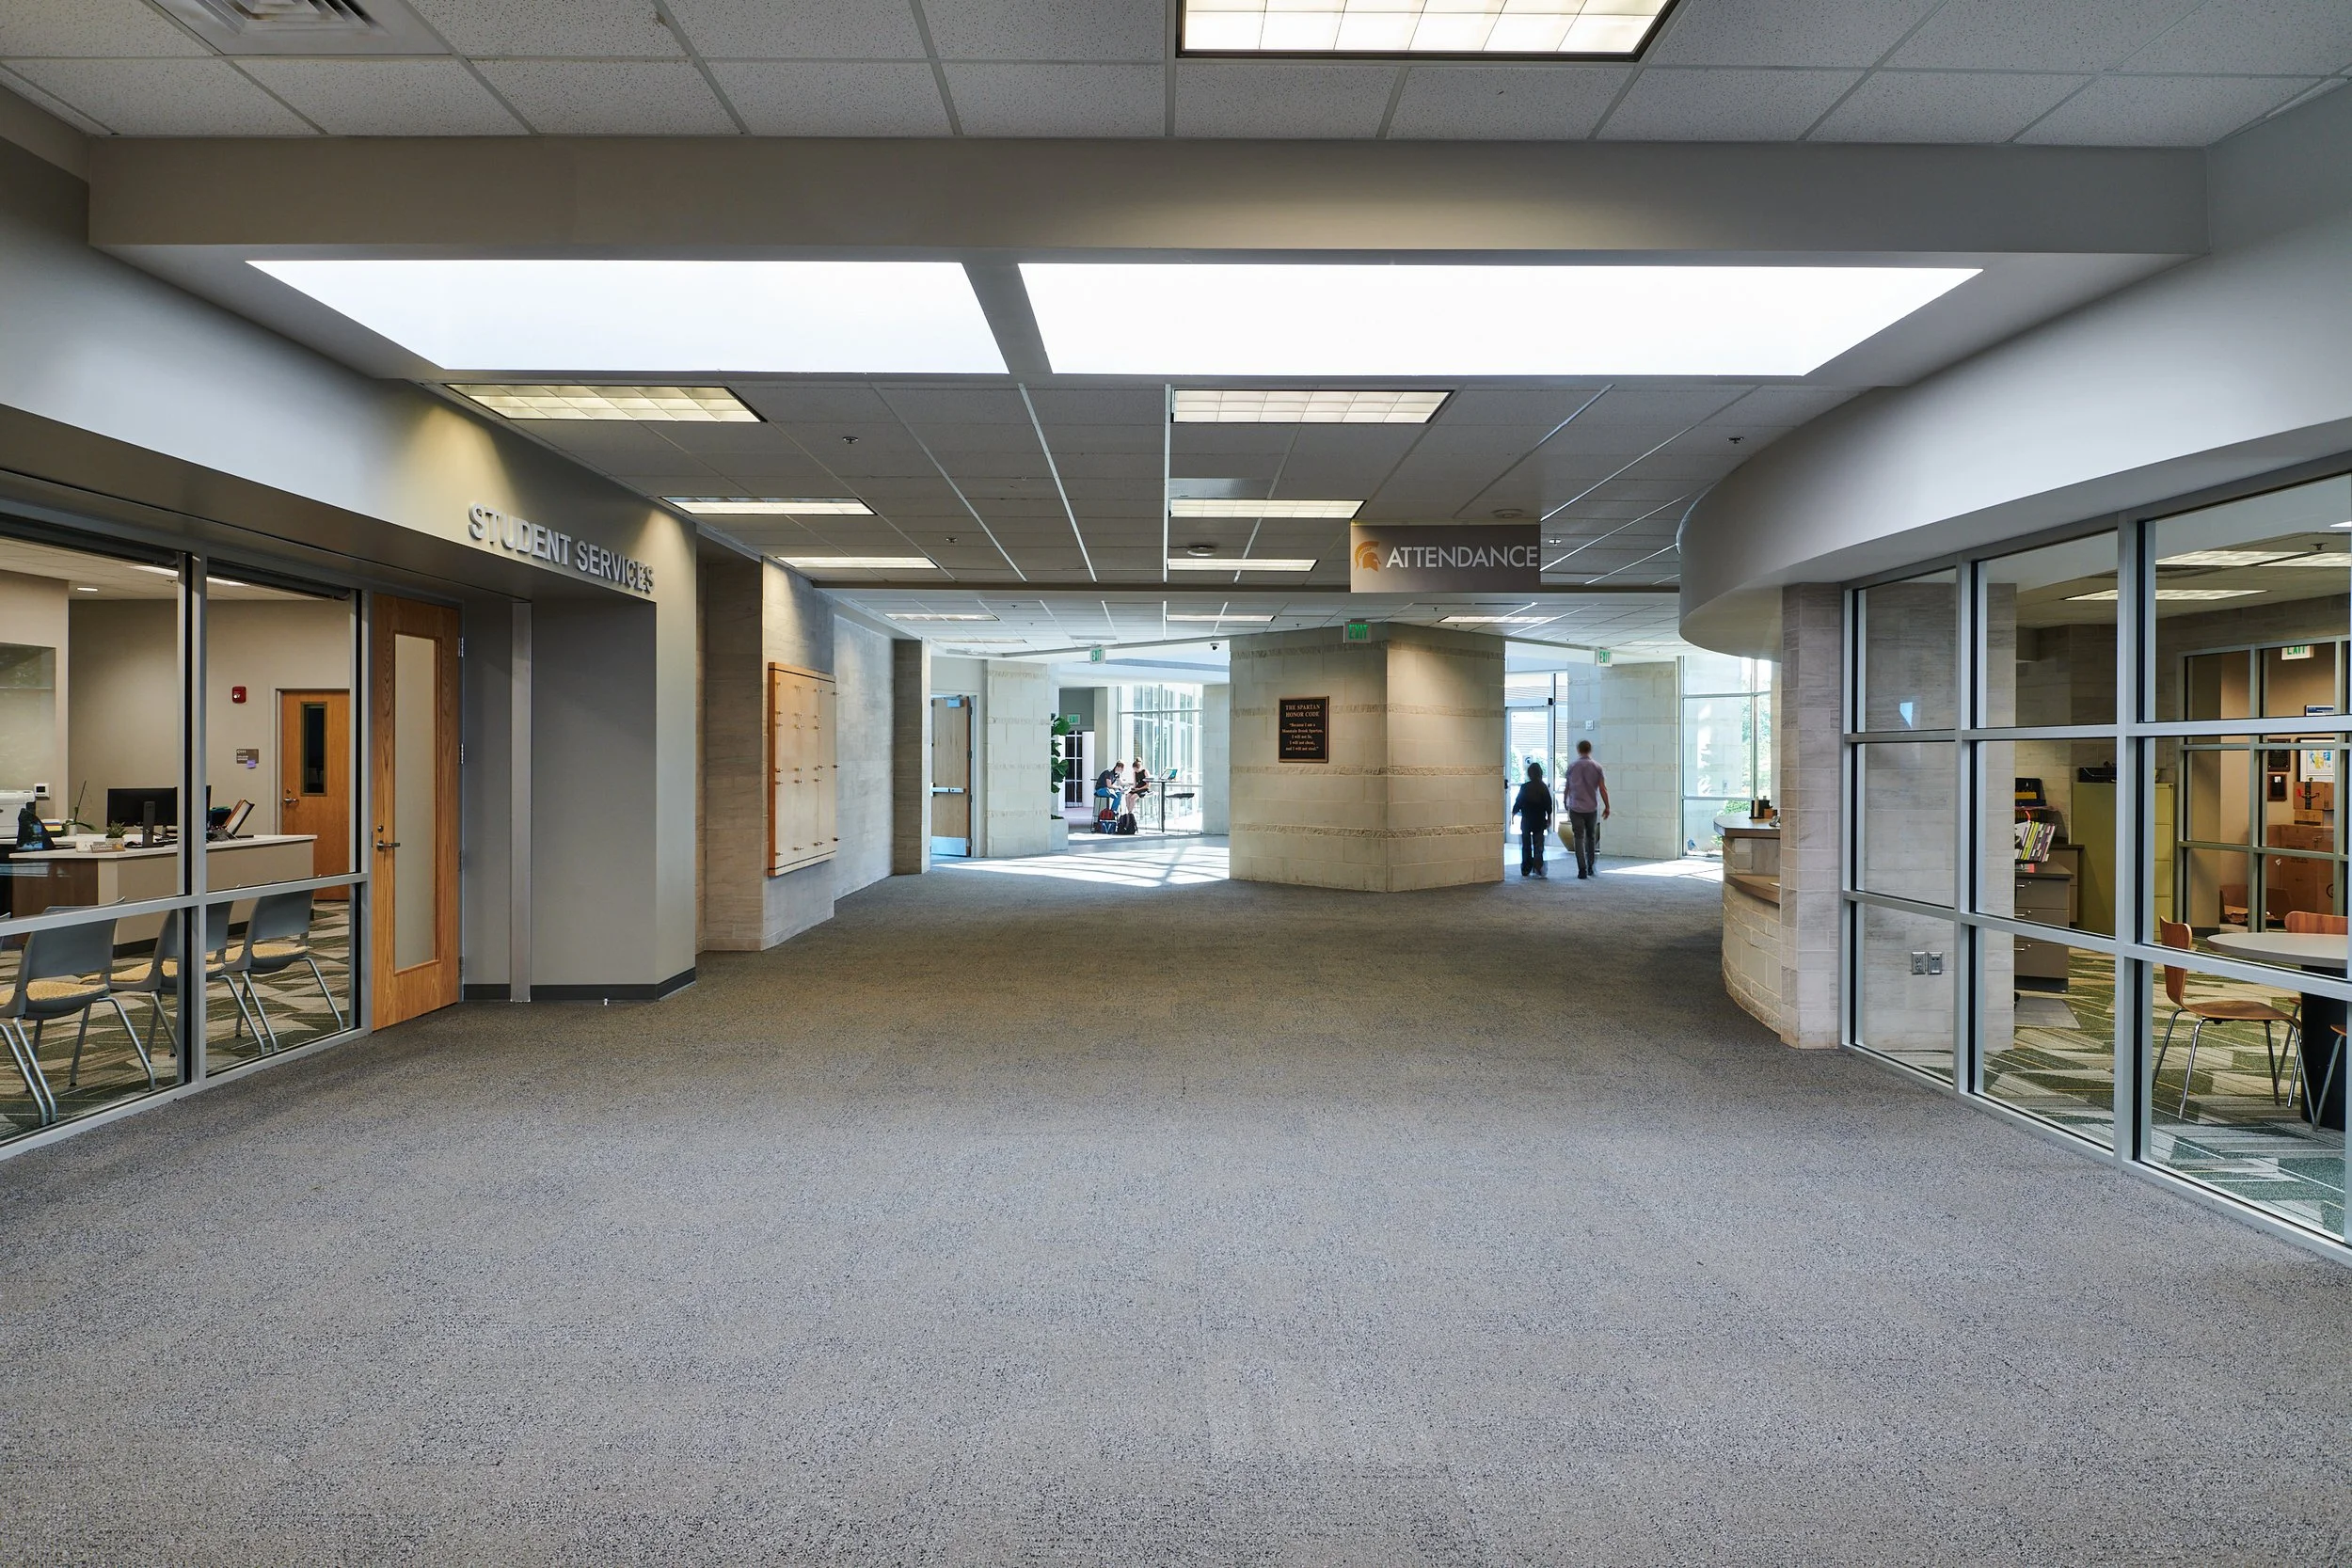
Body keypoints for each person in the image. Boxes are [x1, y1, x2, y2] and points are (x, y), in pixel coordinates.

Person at [1561, 739, 1611, 879]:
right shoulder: (1597, 767)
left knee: (1578, 837)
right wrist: (1607, 806)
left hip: (1575, 807)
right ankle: (1590, 866)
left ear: (1578, 750)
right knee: (1591, 837)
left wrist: (1565, 800)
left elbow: (1567, 787)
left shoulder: (1572, 767)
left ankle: (1581, 869)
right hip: (1591, 808)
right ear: (1590, 750)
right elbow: (1602, 788)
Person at [1510, 761, 1554, 879]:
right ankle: (1538, 866)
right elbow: (1548, 805)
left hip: (1527, 820)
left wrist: (1513, 814)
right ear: (1540, 773)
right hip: (1539, 820)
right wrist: (1549, 817)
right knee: (1539, 844)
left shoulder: (1525, 787)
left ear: (1529, 774)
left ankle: (1526, 867)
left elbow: (1518, 802)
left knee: (1526, 845)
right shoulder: (1543, 787)